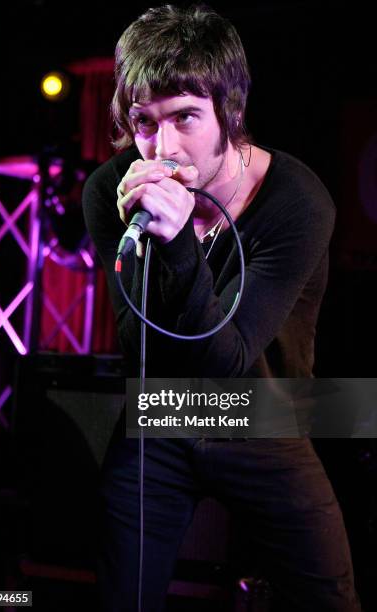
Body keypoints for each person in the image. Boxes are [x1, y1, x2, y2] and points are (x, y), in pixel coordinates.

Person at [82, 5, 361, 611]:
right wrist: (159, 236)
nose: (164, 145)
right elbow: (140, 344)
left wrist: (180, 241)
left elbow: (228, 359)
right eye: (144, 123)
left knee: (329, 598)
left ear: (230, 114)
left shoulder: (297, 201)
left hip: (262, 416)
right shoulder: (112, 192)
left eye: (186, 117)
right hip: (163, 414)